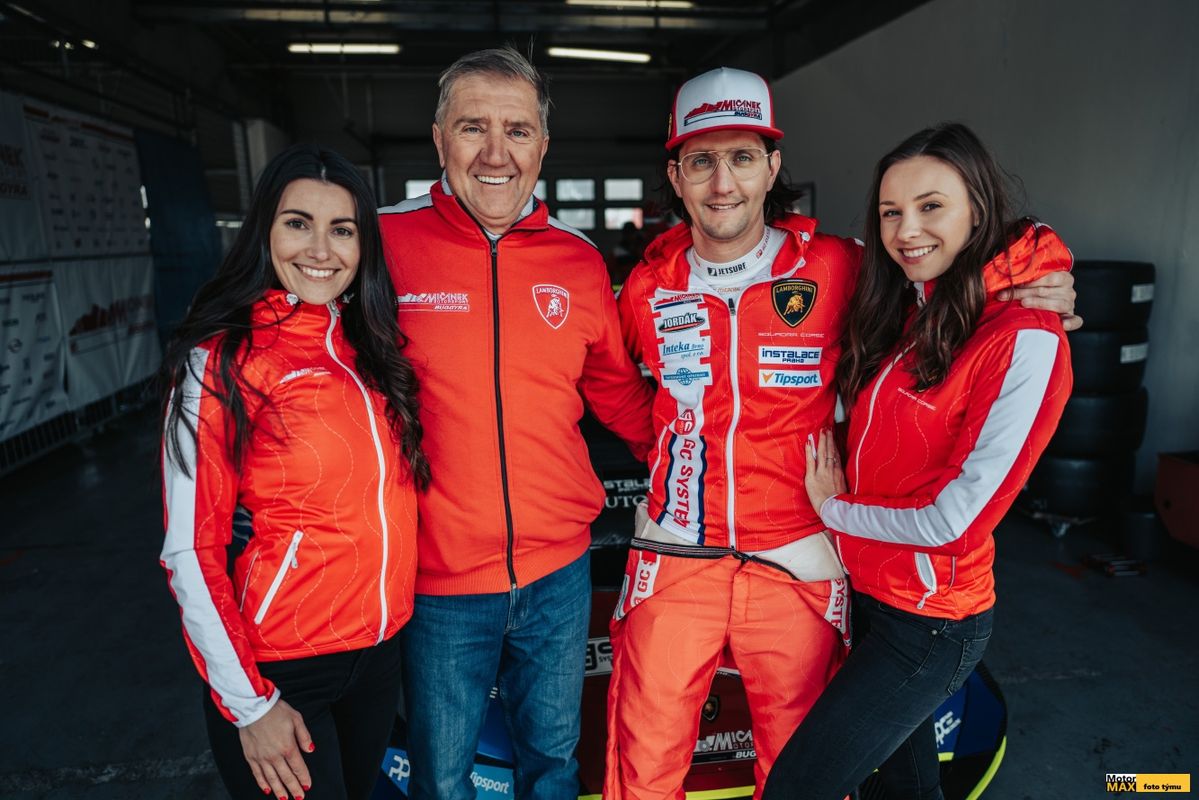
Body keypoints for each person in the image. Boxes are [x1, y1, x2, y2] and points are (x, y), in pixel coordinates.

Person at [604, 69, 1079, 800]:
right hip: (677, 552)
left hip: (799, 556)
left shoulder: (841, 266)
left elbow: (950, 291)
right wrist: (669, 456)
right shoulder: (645, 287)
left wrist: (1038, 275)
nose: (722, 182)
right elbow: (623, 391)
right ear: (675, 175)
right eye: (700, 160)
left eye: (742, 157)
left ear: (772, 167)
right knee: (642, 764)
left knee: (799, 766)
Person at [762, 123, 1073, 800]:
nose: (906, 231)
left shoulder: (1026, 338)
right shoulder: (915, 312)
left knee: (796, 787)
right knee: (903, 789)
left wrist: (834, 510)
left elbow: (954, 522)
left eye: (931, 206)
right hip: (872, 597)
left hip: (931, 623)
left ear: (978, 211)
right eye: (890, 212)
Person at [376, 48, 656, 800]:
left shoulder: (579, 260)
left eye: (518, 131)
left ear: (542, 146)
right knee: (443, 779)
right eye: (473, 127)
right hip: (437, 581)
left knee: (553, 766)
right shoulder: (378, 245)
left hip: (558, 575)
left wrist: (706, 461)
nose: (496, 153)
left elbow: (618, 394)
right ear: (439, 140)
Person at [159, 143, 430, 800]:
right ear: (265, 230)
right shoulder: (222, 360)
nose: (320, 249)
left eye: (343, 230)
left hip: (378, 656)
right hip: (282, 667)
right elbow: (189, 550)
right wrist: (248, 704)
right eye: (298, 223)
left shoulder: (371, 347)